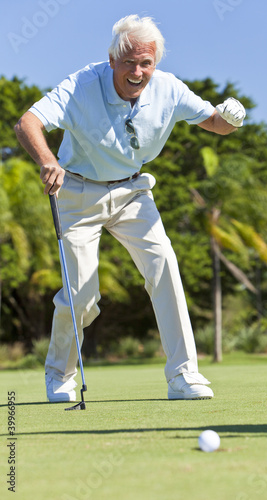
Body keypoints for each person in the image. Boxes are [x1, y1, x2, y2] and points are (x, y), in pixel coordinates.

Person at [15, 15, 246, 402]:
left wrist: (232, 119)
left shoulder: (170, 89)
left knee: (165, 268)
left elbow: (216, 123)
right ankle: (59, 374)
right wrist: (47, 160)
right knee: (82, 296)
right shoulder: (81, 85)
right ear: (111, 60)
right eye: (128, 62)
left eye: (146, 63)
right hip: (77, 192)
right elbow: (28, 123)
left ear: (155, 64)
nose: (137, 72)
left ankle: (183, 375)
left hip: (134, 192)